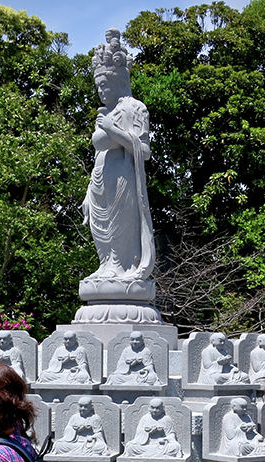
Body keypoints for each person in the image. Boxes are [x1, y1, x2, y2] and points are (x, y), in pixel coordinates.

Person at [81, 28, 155, 282]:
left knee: (119, 228)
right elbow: (98, 153)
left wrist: (113, 131)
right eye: (98, 86)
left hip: (123, 179)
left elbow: (143, 151)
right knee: (100, 231)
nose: (101, 91)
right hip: (101, 180)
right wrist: (88, 192)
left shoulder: (135, 108)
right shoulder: (105, 113)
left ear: (116, 80)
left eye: (104, 85)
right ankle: (105, 266)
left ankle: (120, 267)